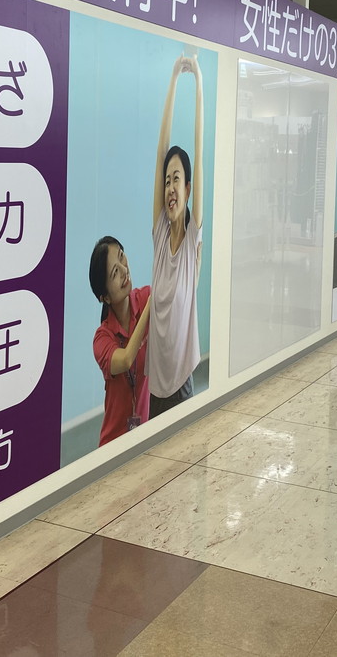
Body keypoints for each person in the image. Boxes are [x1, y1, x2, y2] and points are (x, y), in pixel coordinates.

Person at [148, 53, 203, 418]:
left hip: (182, 386)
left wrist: (198, 83)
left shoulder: (193, 240)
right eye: (167, 180)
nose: (170, 187)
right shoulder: (158, 236)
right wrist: (172, 78)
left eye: (177, 179)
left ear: (187, 189)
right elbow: (161, 151)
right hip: (154, 387)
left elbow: (198, 149)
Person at [89, 236, 151, 446]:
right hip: (114, 443)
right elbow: (125, 359)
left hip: (143, 434)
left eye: (122, 257)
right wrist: (149, 309)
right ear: (105, 297)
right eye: (115, 272)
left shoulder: (144, 298)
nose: (124, 270)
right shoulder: (101, 339)